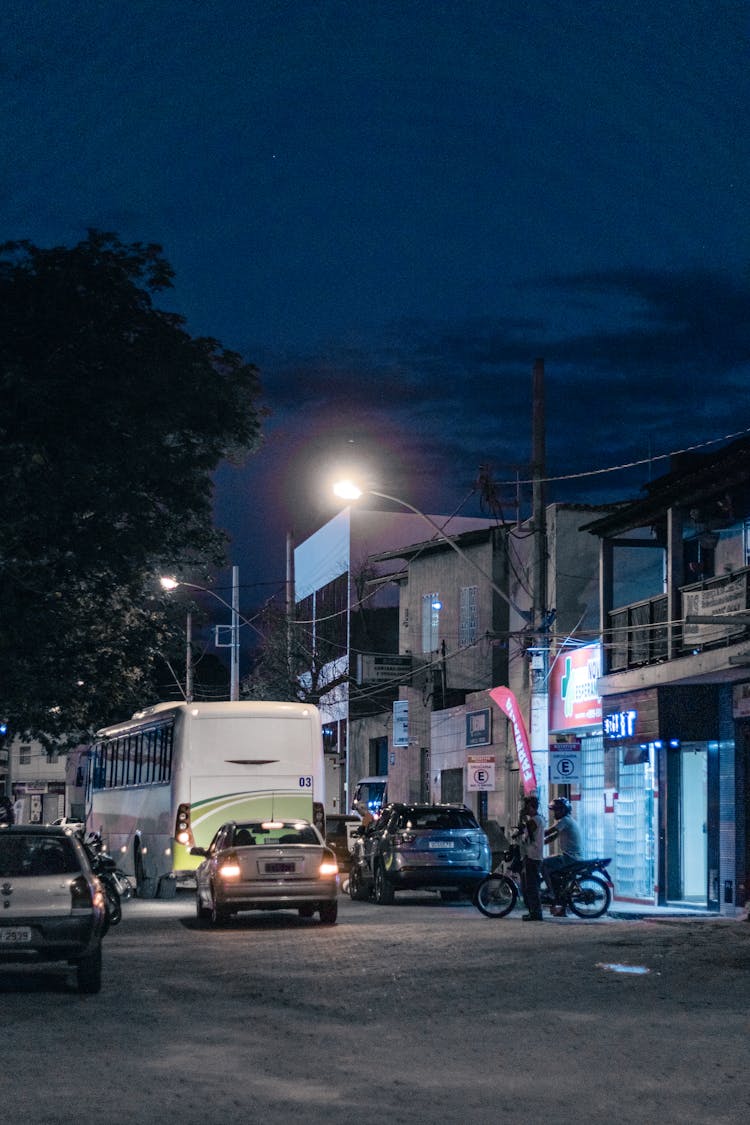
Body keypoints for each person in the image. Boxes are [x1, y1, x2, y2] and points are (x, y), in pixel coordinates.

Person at [542, 797, 583, 915]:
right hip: (571, 856)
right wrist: (540, 843)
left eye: (557, 810)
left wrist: (535, 835)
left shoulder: (565, 821)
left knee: (543, 864)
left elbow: (549, 832)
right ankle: (560, 905)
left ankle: (550, 892)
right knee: (554, 871)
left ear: (564, 810)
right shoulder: (567, 821)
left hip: (570, 858)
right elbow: (552, 837)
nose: (555, 813)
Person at [516, 794, 545, 921]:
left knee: (531, 886)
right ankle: (534, 911)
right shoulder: (537, 819)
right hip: (532, 855)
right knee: (530, 885)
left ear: (532, 807)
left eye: (527, 807)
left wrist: (523, 819)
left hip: (533, 856)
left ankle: (536, 913)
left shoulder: (536, 820)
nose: (526, 809)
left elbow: (528, 834)